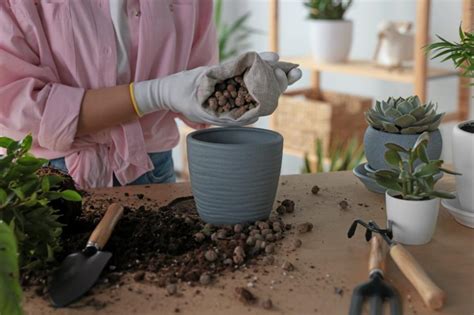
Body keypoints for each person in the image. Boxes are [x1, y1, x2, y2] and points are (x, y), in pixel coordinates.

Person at [0, 0, 301, 189]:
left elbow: (196, 77)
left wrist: (235, 90)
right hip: (45, 182)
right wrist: (153, 94)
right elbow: (18, 107)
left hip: (152, 170)